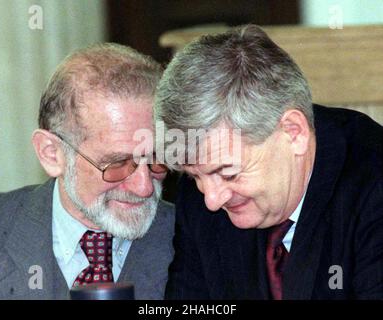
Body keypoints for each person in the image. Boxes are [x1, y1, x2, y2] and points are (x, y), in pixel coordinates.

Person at [155, 24, 383, 299]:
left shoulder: (373, 186)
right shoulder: (200, 194)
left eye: (228, 174)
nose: (212, 200)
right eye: (194, 177)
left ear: (293, 132)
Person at [0, 43, 174, 299]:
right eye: (118, 163)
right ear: (51, 153)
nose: (144, 187)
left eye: (158, 159)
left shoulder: (199, 238)